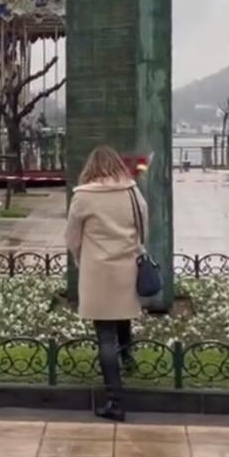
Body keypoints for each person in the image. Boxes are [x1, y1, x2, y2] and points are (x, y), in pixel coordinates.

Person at [64, 145, 146, 423]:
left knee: (105, 335)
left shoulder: (84, 197)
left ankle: (115, 400)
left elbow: (72, 237)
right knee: (122, 317)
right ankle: (129, 361)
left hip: (97, 271)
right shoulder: (133, 192)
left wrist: (82, 258)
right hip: (126, 268)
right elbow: (144, 227)